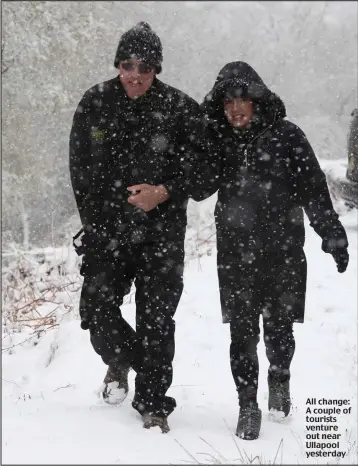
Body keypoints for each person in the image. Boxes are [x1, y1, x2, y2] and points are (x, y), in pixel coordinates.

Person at [190, 62, 349, 440]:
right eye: (227, 101)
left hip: (283, 250)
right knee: (242, 335)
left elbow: (314, 189)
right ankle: (247, 405)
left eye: (242, 99)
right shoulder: (219, 140)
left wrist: (331, 234)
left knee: (279, 330)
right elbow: (198, 188)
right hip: (234, 253)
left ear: (257, 99)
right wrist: (203, 136)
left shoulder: (288, 136)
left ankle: (280, 376)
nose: (235, 108)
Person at [69, 22, 205, 433]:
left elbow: (203, 173)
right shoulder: (95, 102)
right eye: (128, 64)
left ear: (157, 68)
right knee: (95, 312)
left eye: (145, 65)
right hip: (107, 233)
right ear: (118, 64)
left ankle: (152, 403)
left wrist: (162, 192)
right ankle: (125, 359)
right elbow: (79, 171)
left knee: (157, 322)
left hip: (160, 237)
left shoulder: (181, 109)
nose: (136, 73)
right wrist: (95, 223)